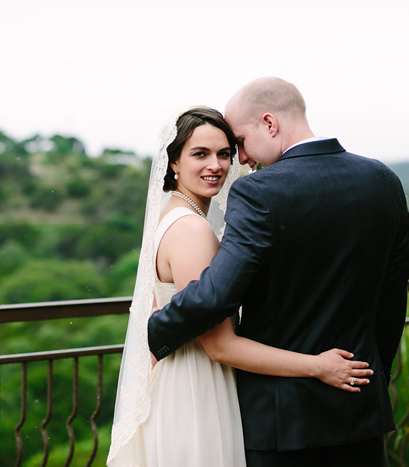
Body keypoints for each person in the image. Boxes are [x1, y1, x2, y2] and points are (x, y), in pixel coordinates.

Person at [148, 78, 409, 466]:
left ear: (269, 124)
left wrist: (157, 328)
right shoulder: (384, 179)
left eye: (238, 142)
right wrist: (369, 377)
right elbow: (392, 299)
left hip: (280, 425)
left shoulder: (260, 192)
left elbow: (217, 295)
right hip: (359, 409)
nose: (240, 159)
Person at [108, 106, 373, 466]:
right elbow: (220, 346)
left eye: (224, 153)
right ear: (173, 162)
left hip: (183, 375)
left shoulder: (171, 213)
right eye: (199, 154)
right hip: (196, 384)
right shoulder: (191, 229)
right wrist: (317, 366)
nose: (215, 165)